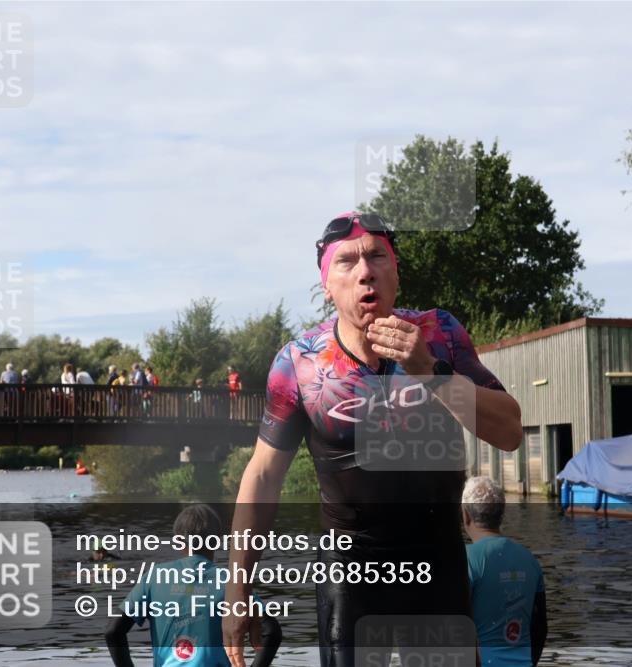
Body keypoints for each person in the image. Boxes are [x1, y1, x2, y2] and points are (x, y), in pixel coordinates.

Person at [223, 212, 523, 667]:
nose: (366, 271)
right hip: (350, 569)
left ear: (396, 273)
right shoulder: (299, 364)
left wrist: (431, 374)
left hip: (436, 560)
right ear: (327, 285)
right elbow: (263, 477)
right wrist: (238, 589)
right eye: (346, 262)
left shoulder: (439, 336)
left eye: (378, 256)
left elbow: (510, 432)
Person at [105, 504, 281, 667]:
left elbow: (113, 632)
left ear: (178, 541)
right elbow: (271, 632)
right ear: (217, 541)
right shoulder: (232, 582)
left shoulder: (154, 577)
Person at [462, 476, 546, 666]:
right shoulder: (530, 560)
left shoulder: (465, 560)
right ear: (502, 513)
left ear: (465, 515)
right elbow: (540, 629)